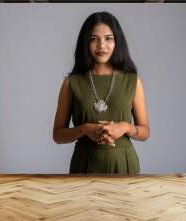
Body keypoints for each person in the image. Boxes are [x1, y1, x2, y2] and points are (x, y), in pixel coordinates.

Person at [53, 11, 150, 175]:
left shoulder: (133, 81)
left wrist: (125, 127)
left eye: (108, 38)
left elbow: (145, 132)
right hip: (84, 163)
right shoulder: (71, 83)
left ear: (117, 42)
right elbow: (58, 135)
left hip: (124, 163)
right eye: (93, 39)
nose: (101, 46)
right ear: (85, 43)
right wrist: (84, 129)